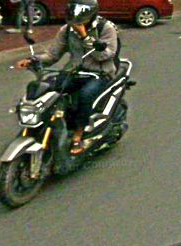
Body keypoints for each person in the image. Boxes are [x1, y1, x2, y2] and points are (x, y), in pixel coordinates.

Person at [16, 0, 118, 155]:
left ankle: (78, 134)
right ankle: (54, 121)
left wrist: (85, 36)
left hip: (99, 73)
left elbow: (104, 55)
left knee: (85, 95)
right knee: (53, 89)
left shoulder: (105, 28)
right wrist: (33, 60)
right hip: (74, 70)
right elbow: (52, 55)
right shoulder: (66, 30)